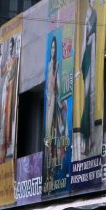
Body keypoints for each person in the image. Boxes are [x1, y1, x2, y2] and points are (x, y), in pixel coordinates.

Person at [78, 0, 99, 155]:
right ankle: (86, 140)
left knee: (91, 98)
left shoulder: (97, 14)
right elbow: (84, 42)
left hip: (94, 55)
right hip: (87, 58)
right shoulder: (86, 15)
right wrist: (79, 66)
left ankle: (90, 139)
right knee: (87, 97)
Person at [45, 35, 69, 168]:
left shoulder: (57, 64)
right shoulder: (49, 65)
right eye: (52, 48)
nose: (53, 50)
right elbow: (49, 87)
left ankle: (58, 162)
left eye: (55, 47)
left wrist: (62, 102)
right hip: (50, 104)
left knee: (59, 132)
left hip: (56, 103)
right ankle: (52, 163)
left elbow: (58, 86)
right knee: (51, 133)